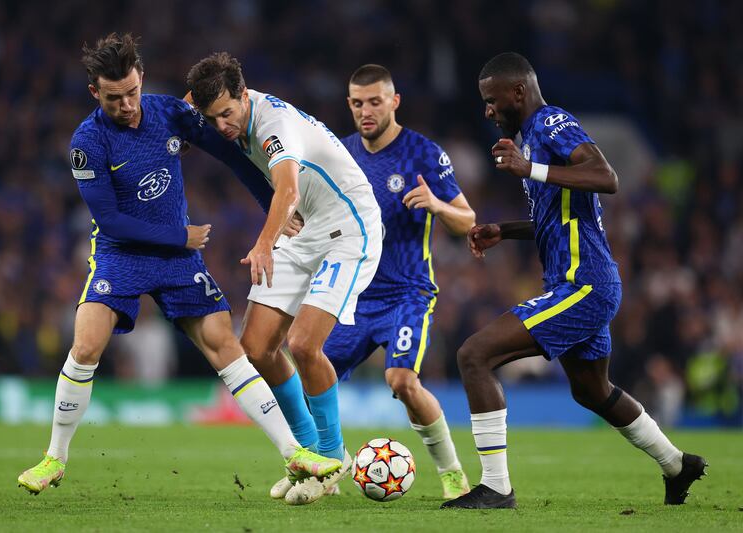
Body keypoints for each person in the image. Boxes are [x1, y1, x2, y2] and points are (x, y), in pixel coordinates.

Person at [17, 33, 341, 499]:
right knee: (86, 346)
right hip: (121, 254)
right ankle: (55, 457)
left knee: (224, 344)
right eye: (114, 98)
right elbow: (109, 218)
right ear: (95, 93)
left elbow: (230, 152)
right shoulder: (87, 142)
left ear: (141, 79)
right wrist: (178, 236)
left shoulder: (169, 112)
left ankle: (294, 451)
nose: (127, 105)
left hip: (176, 261)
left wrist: (274, 203)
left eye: (131, 92)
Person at [441, 52, 707, 510]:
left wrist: (530, 169)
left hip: (583, 284)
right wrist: (505, 230)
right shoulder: (535, 140)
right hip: (583, 282)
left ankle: (496, 488)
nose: (487, 110)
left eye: (491, 100)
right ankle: (677, 464)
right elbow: (556, 217)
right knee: (591, 390)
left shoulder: (551, 123)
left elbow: (607, 177)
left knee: (474, 354)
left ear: (518, 92)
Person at [186, 52, 383, 504]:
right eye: (210, 118)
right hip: (304, 227)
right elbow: (189, 105)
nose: (221, 127)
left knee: (303, 344)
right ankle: (306, 455)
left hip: (349, 229)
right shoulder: (227, 106)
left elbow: (288, 190)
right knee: (256, 349)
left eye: (227, 114)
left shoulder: (274, 126)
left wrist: (262, 243)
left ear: (244, 93)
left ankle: (332, 459)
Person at [319, 64, 475, 499]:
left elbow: (468, 221)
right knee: (316, 376)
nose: (365, 111)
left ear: (394, 101)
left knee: (401, 381)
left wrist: (438, 206)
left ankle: (452, 476)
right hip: (355, 295)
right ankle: (325, 469)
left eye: (374, 102)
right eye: (357, 103)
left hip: (408, 292)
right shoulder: (340, 152)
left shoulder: (423, 154)